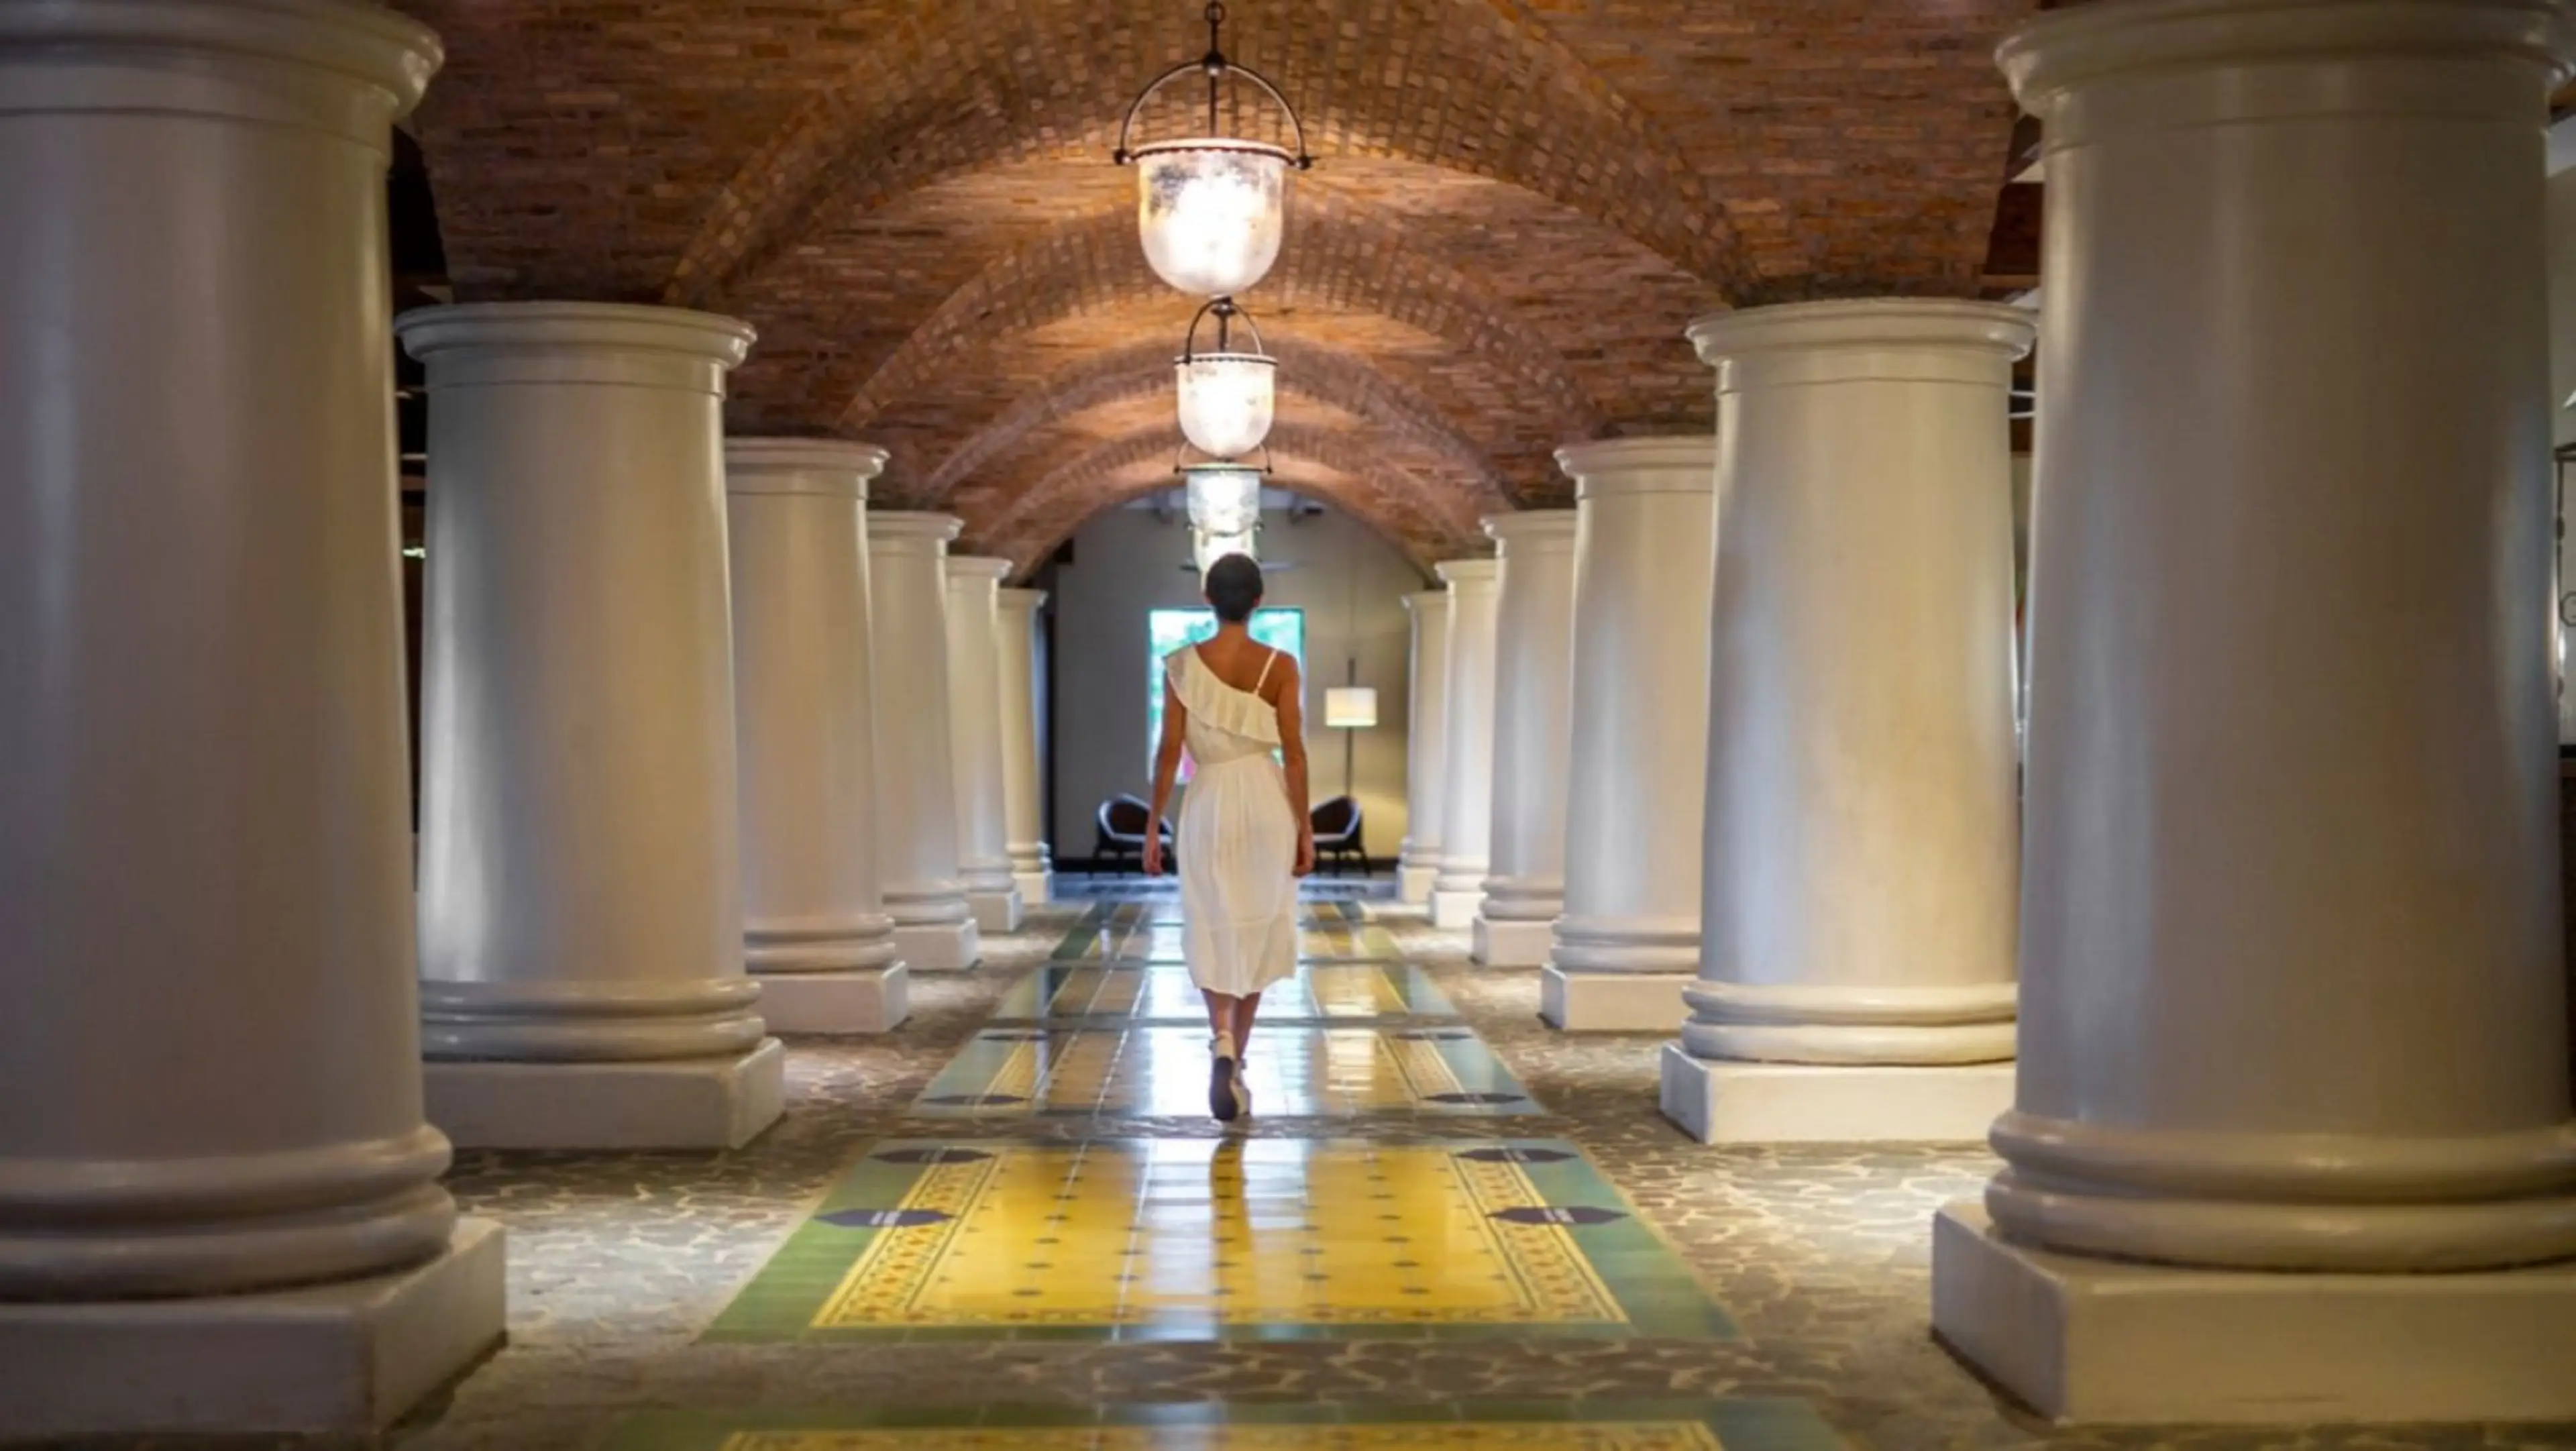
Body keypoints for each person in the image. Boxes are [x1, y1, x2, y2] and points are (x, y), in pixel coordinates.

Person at [1143, 553, 1313, 1123]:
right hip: (1266, 800)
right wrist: (1305, 828)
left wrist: (1152, 825)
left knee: (1212, 921)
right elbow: (1295, 753)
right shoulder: (1281, 665)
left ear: (1207, 598)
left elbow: (1169, 751)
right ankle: (1237, 1059)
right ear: (1259, 600)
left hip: (1209, 801)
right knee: (1259, 923)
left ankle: (1220, 1036)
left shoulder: (1181, 665)